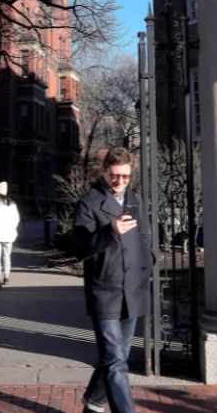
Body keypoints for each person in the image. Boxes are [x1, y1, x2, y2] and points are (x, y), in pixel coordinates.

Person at [73, 147, 152, 413]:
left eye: (125, 176)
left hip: (133, 289)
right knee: (116, 361)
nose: (119, 182)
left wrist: (148, 262)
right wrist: (110, 230)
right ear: (104, 172)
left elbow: (143, 237)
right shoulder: (89, 202)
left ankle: (93, 404)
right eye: (114, 176)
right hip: (105, 291)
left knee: (117, 357)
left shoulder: (135, 199)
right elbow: (80, 246)